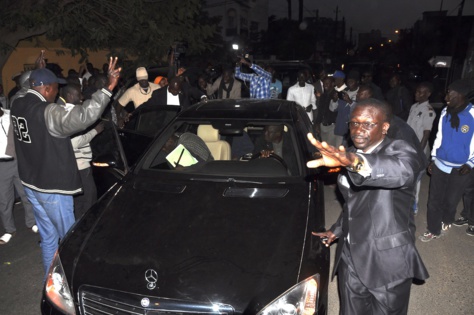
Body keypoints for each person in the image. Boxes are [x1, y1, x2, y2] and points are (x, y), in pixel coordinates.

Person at [309, 98, 428, 315]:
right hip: (351, 256)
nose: (358, 129)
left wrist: (354, 162)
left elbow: (402, 171)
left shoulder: (399, 149)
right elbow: (355, 202)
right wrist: (336, 229)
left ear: (384, 127)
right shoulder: (350, 153)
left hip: (386, 261)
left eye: (367, 124)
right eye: (354, 123)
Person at [10, 55, 121, 276]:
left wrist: (38, 70)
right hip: (52, 188)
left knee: (49, 239)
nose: (57, 92)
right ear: (45, 88)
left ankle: (49, 282)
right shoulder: (48, 112)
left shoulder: (17, 102)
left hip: (31, 184)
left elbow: (27, 87)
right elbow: (83, 116)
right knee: (71, 239)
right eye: (54, 88)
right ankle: (74, 284)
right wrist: (108, 88)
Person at [420, 79, 474, 242]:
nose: (446, 97)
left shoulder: (472, 114)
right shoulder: (445, 112)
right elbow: (439, 137)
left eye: (450, 92)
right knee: (434, 200)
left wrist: (471, 163)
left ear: (461, 95)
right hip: (441, 163)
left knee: (451, 201)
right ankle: (433, 229)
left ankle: (447, 219)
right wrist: (433, 158)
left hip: (461, 168)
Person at [59, 84, 105, 219]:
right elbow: (75, 142)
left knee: (79, 200)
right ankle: (87, 227)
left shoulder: (62, 111)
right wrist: (94, 132)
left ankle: (78, 226)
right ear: (69, 96)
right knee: (89, 199)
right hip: (80, 165)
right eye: (79, 95)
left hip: (72, 164)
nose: (82, 98)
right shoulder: (73, 114)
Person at [0, 107, 37, 245]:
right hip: (1, 165)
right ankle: (9, 230)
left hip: (17, 160)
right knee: (4, 199)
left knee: (26, 193)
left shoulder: (12, 115)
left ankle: (31, 222)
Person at [406, 82, 436, 214]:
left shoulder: (428, 111)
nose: (416, 94)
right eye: (416, 91)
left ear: (428, 94)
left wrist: (419, 152)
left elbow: (426, 134)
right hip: (408, 147)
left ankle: (414, 205)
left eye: (420, 92)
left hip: (419, 150)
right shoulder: (414, 106)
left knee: (416, 179)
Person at [140, 76, 206, 111]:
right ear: (169, 87)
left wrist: (203, 97)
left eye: (178, 90)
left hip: (183, 123)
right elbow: (147, 104)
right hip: (167, 125)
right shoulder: (158, 94)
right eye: (174, 90)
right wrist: (132, 113)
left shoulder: (185, 87)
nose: (177, 92)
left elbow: (195, 91)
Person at [314, 77, 338, 146]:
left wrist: (335, 100)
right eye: (324, 84)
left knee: (329, 148)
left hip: (332, 126)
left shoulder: (336, 95)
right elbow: (320, 111)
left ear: (333, 84)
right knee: (324, 147)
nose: (325, 85)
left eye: (327, 83)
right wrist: (317, 123)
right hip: (323, 125)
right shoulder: (323, 95)